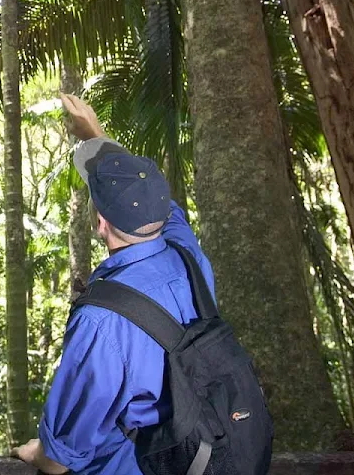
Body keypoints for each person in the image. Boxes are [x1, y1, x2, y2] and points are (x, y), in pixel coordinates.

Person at [13, 94, 218, 475]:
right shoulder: (190, 257)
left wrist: (35, 453)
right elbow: (150, 197)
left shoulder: (102, 322)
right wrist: (95, 134)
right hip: (202, 450)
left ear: (101, 224)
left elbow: (60, 459)